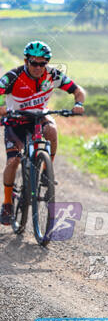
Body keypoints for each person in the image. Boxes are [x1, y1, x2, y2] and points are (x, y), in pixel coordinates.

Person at [0, 41, 85, 225]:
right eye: (34, 63)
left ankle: (47, 171)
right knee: (13, 160)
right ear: (26, 60)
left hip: (39, 117)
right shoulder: (13, 76)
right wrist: (2, 107)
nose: (38, 67)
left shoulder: (53, 75)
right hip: (16, 121)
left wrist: (78, 104)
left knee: (52, 130)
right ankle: (7, 202)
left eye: (42, 63)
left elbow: (78, 91)